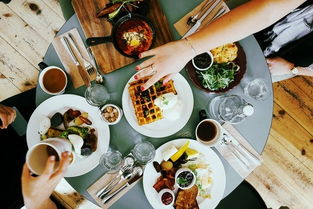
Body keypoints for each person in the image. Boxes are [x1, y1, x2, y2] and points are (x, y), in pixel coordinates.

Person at [134, 0, 307, 90]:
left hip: (287, 60)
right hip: (249, 18)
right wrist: (188, 48)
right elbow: (268, 9)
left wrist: (294, 69)